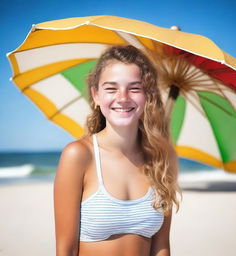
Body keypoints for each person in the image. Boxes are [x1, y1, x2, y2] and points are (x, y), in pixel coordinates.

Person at [54, 45, 182, 256]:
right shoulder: (78, 155)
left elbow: (161, 246)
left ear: (147, 95)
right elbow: (65, 249)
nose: (123, 98)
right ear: (96, 95)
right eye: (111, 88)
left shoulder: (163, 159)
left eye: (134, 88)